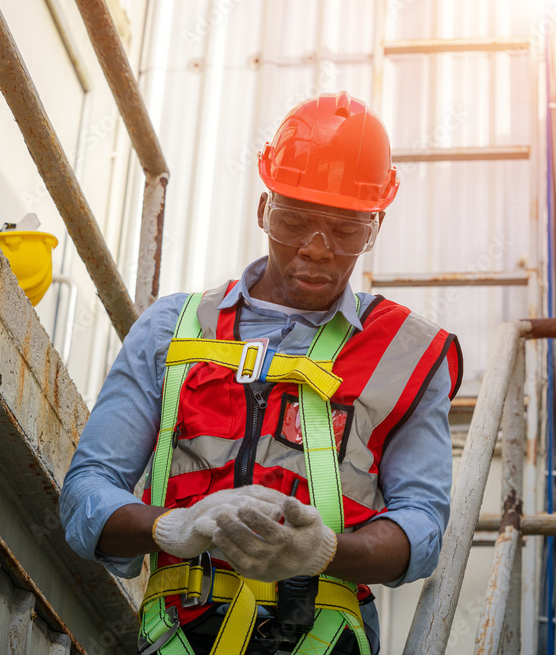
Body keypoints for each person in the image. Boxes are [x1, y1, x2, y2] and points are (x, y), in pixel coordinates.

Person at [60, 91, 462, 655]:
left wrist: (326, 551)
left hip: (324, 638)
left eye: (346, 230)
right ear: (263, 209)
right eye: (294, 220)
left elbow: (421, 527)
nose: (317, 249)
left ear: (375, 226)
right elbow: (85, 492)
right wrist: (169, 526)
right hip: (178, 635)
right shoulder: (170, 330)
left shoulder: (406, 351)